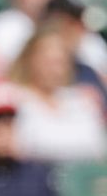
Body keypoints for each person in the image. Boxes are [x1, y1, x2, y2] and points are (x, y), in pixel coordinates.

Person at [9, 25, 107, 163]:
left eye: (60, 62)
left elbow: (98, 144)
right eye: (47, 61)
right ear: (29, 59)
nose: (54, 70)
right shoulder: (10, 96)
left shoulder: (81, 99)